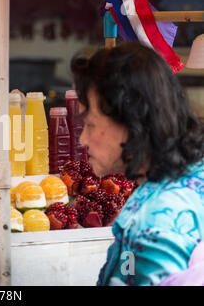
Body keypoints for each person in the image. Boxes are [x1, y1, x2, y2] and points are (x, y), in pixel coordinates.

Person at [70, 42, 204, 286]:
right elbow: (129, 268)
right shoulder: (191, 176)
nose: (82, 140)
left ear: (131, 124)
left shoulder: (154, 223)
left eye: (90, 125)